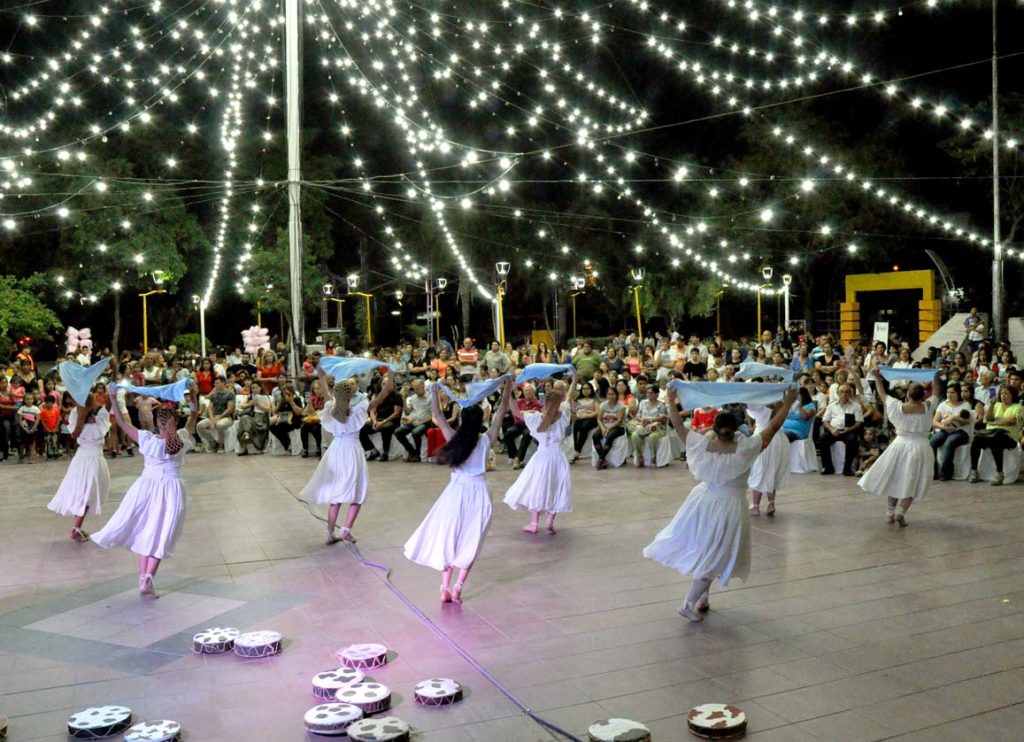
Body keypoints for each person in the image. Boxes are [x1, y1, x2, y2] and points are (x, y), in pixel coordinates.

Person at [644, 386, 797, 621]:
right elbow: (773, 427)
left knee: (713, 551)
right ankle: (688, 603)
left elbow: (678, 426)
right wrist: (788, 403)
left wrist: (672, 401)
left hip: (703, 500)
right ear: (737, 430)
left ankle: (702, 598)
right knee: (715, 554)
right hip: (729, 505)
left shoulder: (701, 445)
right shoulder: (746, 448)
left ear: (714, 428)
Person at [404, 378, 514, 604]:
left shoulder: (455, 439)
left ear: (463, 421)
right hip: (480, 491)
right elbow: (502, 410)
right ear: (481, 420)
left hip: (456, 492)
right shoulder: (486, 440)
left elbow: (438, 414)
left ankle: (444, 586)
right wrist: (508, 388)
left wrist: (435, 392)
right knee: (472, 540)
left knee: (450, 536)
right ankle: (458, 587)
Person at [91, 383, 200, 596]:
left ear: (158, 423)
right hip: (170, 488)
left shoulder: (146, 439)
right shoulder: (182, 438)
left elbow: (121, 423)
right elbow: (195, 413)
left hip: (145, 487)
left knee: (146, 530)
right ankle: (148, 578)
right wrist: (193, 392)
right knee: (161, 533)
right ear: (174, 422)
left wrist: (113, 398)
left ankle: (144, 579)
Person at [301, 368, 394, 545]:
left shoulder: (332, 406)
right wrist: (391, 373)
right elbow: (385, 392)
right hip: (351, 450)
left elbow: (325, 390)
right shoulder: (361, 407)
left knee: (336, 495)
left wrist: (321, 373)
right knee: (357, 493)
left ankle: (330, 533)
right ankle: (345, 530)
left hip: (336, 449)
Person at [858, 371, 940, 526]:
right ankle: (901, 511)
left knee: (895, 478)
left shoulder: (896, 406)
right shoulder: (928, 407)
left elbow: (882, 394)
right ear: (923, 396)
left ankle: (890, 513)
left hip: (899, 445)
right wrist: (935, 377)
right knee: (913, 480)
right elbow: (936, 393)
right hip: (920, 446)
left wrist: (877, 378)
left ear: (908, 394)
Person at [503, 375, 576, 534]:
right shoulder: (563, 415)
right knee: (556, 487)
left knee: (537, 487)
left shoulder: (536, 418)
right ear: (559, 402)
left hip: (542, 457)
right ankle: (550, 518)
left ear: (545, 402)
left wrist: (508, 390)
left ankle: (534, 523)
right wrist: (574, 379)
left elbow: (515, 411)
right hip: (558, 457)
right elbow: (569, 397)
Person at [47, 393, 111, 541]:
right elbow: (75, 434)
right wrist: (82, 418)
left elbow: (105, 423)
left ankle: (77, 527)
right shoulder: (75, 412)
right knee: (83, 494)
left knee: (87, 494)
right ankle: (76, 529)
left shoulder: (101, 411)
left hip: (95, 456)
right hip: (82, 457)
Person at [968, 385, 1023, 486]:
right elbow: (987, 419)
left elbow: (1012, 421)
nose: (1003, 396)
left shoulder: (1018, 407)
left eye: (1006, 393)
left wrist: (995, 422)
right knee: (976, 440)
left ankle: (999, 473)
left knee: (996, 440)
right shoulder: (996, 405)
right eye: (1002, 393)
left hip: (1009, 436)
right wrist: (992, 405)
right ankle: (974, 470)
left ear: (1012, 395)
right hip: (990, 434)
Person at [748, 400, 791, 517]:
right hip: (779, 439)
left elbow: (747, 406)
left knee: (759, 471)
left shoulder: (758, 407)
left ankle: (755, 506)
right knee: (772, 470)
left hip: (763, 437)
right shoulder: (781, 405)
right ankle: (771, 503)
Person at [929, 382, 973, 480]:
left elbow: (968, 421)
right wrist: (943, 427)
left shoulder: (965, 405)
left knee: (949, 442)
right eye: (948, 392)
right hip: (945, 430)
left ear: (958, 393)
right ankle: (933, 471)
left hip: (961, 432)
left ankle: (946, 473)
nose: (949, 394)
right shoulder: (942, 405)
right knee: (931, 443)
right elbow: (934, 421)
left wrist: (954, 417)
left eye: (952, 392)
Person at [818, 384, 863, 475]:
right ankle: (827, 467)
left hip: (848, 431)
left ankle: (847, 468)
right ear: (838, 393)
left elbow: (859, 422)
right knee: (822, 440)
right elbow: (825, 420)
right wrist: (831, 429)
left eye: (847, 392)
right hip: (834, 430)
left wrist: (850, 428)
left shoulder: (856, 406)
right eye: (841, 392)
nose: (844, 394)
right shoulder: (831, 406)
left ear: (850, 394)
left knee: (852, 440)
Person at [395, 379, 434, 462]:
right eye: (414, 388)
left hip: (425, 422)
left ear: (423, 386)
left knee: (415, 432)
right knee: (398, 432)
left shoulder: (430, 398)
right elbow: (407, 412)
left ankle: (417, 454)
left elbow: (432, 415)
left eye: (417, 388)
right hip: (413, 421)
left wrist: (420, 422)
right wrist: (404, 399)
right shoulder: (413, 398)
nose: (415, 391)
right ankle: (412, 452)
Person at [631, 385, 669, 468]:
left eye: (651, 393)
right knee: (634, 435)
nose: (648, 394)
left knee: (653, 437)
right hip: (644, 426)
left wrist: (650, 421)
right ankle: (640, 456)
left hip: (658, 428)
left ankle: (653, 458)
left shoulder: (661, 404)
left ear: (656, 394)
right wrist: (642, 421)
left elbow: (662, 417)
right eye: (647, 393)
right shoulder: (642, 403)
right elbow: (638, 415)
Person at [196, 376, 235, 452]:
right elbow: (210, 408)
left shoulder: (230, 394)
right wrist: (212, 418)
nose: (215, 384)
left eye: (217, 383)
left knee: (219, 425)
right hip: (214, 416)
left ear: (223, 383)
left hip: (226, 417)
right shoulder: (214, 395)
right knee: (199, 425)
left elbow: (230, 409)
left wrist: (219, 417)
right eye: (214, 383)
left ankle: (221, 445)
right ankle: (212, 442)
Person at [592, 387, 626, 469]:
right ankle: (602, 458)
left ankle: (601, 459)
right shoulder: (603, 405)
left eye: (612, 394)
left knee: (609, 436)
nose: (610, 396)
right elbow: (599, 419)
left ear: (616, 395)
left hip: (618, 427)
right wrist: (603, 428)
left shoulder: (621, 405)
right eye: (609, 394)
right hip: (605, 426)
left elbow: (619, 421)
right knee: (595, 435)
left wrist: (609, 429)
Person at [236, 380, 271, 455]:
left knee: (245, 421)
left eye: (256, 387)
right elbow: (242, 405)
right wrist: (250, 404)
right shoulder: (250, 396)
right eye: (253, 388)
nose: (254, 389)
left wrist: (258, 404)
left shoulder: (264, 397)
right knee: (244, 418)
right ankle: (246, 436)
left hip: (261, 419)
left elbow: (268, 409)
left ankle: (246, 442)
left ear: (260, 388)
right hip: (251, 416)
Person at [570, 382, 599, 462]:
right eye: (584, 389)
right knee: (575, 426)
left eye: (587, 388)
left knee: (584, 427)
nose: (585, 390)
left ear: (591, 390)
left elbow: (598, 412)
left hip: (591, 418)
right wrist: (577, 414)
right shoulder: (577, 400)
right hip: (579, 417)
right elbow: (573, 411)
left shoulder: (594, 400)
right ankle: (574, 449)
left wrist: (586, 416)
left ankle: (578, 450)